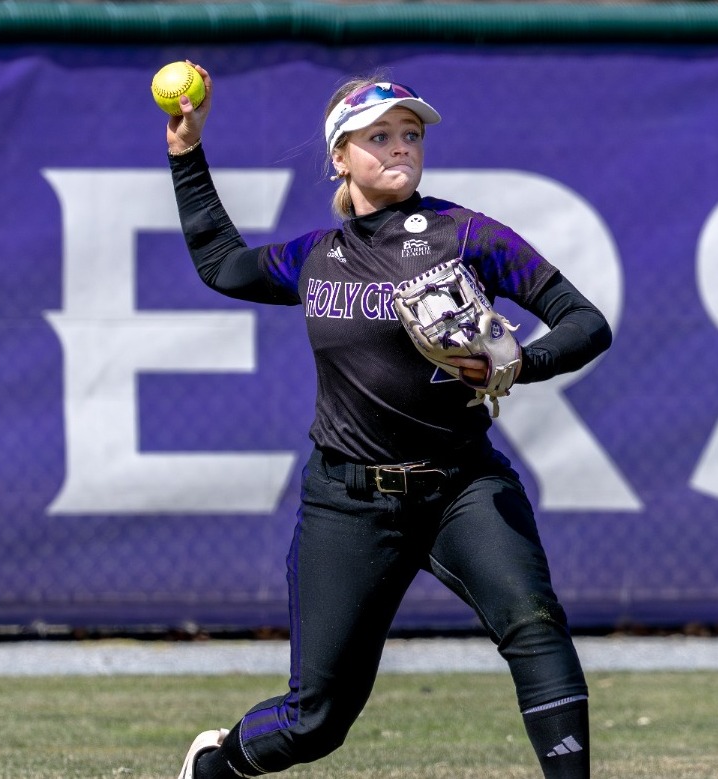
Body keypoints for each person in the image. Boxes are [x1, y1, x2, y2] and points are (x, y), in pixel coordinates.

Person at [163, 62, 612, 779]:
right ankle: (214, 768)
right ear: (340, 157)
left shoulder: (465, 235)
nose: (401, 145)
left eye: (410, 133)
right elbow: (221, 263)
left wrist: (523, 363)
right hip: (349, 499)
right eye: (378, 135)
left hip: (460, 485)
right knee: (316, 719)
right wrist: (186, 151)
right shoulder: (317, 257)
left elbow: (585, 322)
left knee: (534, 624)